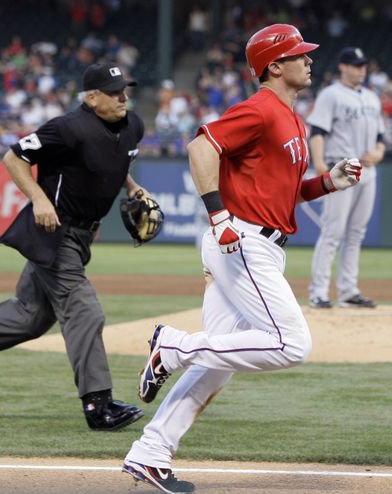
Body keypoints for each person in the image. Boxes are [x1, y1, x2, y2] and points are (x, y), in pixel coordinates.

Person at [122, 24, 362, 493]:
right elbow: (199, 146)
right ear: (275, 65)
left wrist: (328, 182)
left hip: (260, 242)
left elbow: (285, 195)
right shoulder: (259, 109)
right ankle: (173, 346)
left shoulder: (291, 117)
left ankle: (149, 454)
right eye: (300, 54)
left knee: (218, 364)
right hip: (242, 241)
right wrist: (218, 217)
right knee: (292, 344)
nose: (309, 60)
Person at [0, 62, 147, 431]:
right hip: (54, 231)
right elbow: (13, 157)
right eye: (113, 92)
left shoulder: (132, 125)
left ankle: (99, 402)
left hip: (79, 238)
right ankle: (98, 405)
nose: (122, 96)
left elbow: (115, 159)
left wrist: (132, 187)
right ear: (92, 98)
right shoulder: (66, 128)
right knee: (84, 310)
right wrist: (39, 198)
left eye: (124, 88)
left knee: (30, 317)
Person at [307, 47, 385, 309]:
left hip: (368, 171)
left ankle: (348, 290)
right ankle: (318, 291)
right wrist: (319, 164)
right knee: (333, 231)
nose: (361, 69)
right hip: (340, 169)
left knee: (356, 233)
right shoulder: (331, 95)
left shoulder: (372, 98)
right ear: (343, 67)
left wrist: (378, 153)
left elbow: (380, 140)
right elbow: (317, 131)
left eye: (363, 64)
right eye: (355, 65)